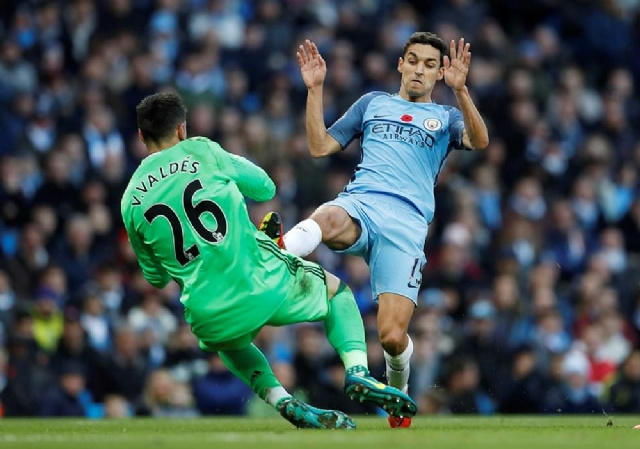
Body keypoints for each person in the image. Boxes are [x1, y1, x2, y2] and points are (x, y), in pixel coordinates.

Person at [120, 92, 417, 429]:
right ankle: (358, 372)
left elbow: (156, 278)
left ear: (141, 136)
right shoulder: (201, 150)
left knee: (229, 343)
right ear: (181, 130)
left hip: (206, 309)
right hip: (259, 280)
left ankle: (283, 401)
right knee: (338, 294)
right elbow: (264, 188)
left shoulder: (130, 200)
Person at [264, 32, 489, 427]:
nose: (420, 69)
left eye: (430, 64)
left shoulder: (446, 117)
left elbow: (479, 140)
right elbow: (320, 147)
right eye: (414, 60)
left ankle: (396, 391)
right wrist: (314, 89)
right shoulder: (373, 104)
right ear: (400, 64)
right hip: (361, 203)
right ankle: (274, 251)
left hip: (406, 224)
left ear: (440, 74)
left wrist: (463, 91)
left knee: (390, 337)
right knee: (327, 217)